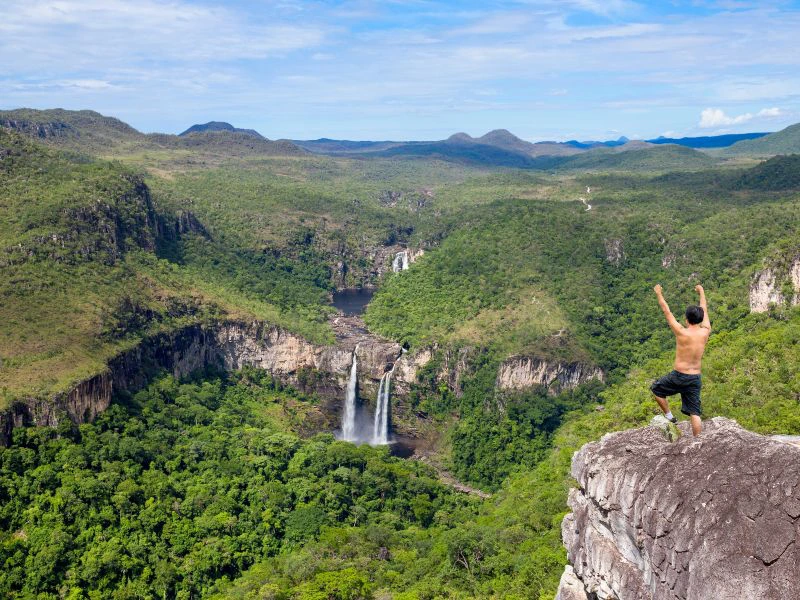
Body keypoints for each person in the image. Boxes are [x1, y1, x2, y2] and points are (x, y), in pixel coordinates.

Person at [650, 284, 711, 437]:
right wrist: (701, 291)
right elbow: (704, 308)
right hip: (695, 378)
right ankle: (697, 442)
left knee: (656, 390)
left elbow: (666, 311)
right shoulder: (705, 332)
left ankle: (670, 416)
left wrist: (659, 293)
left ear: (686, 319)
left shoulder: (681, 332)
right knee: (694, 412)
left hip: (678, 375)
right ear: (701, 318)